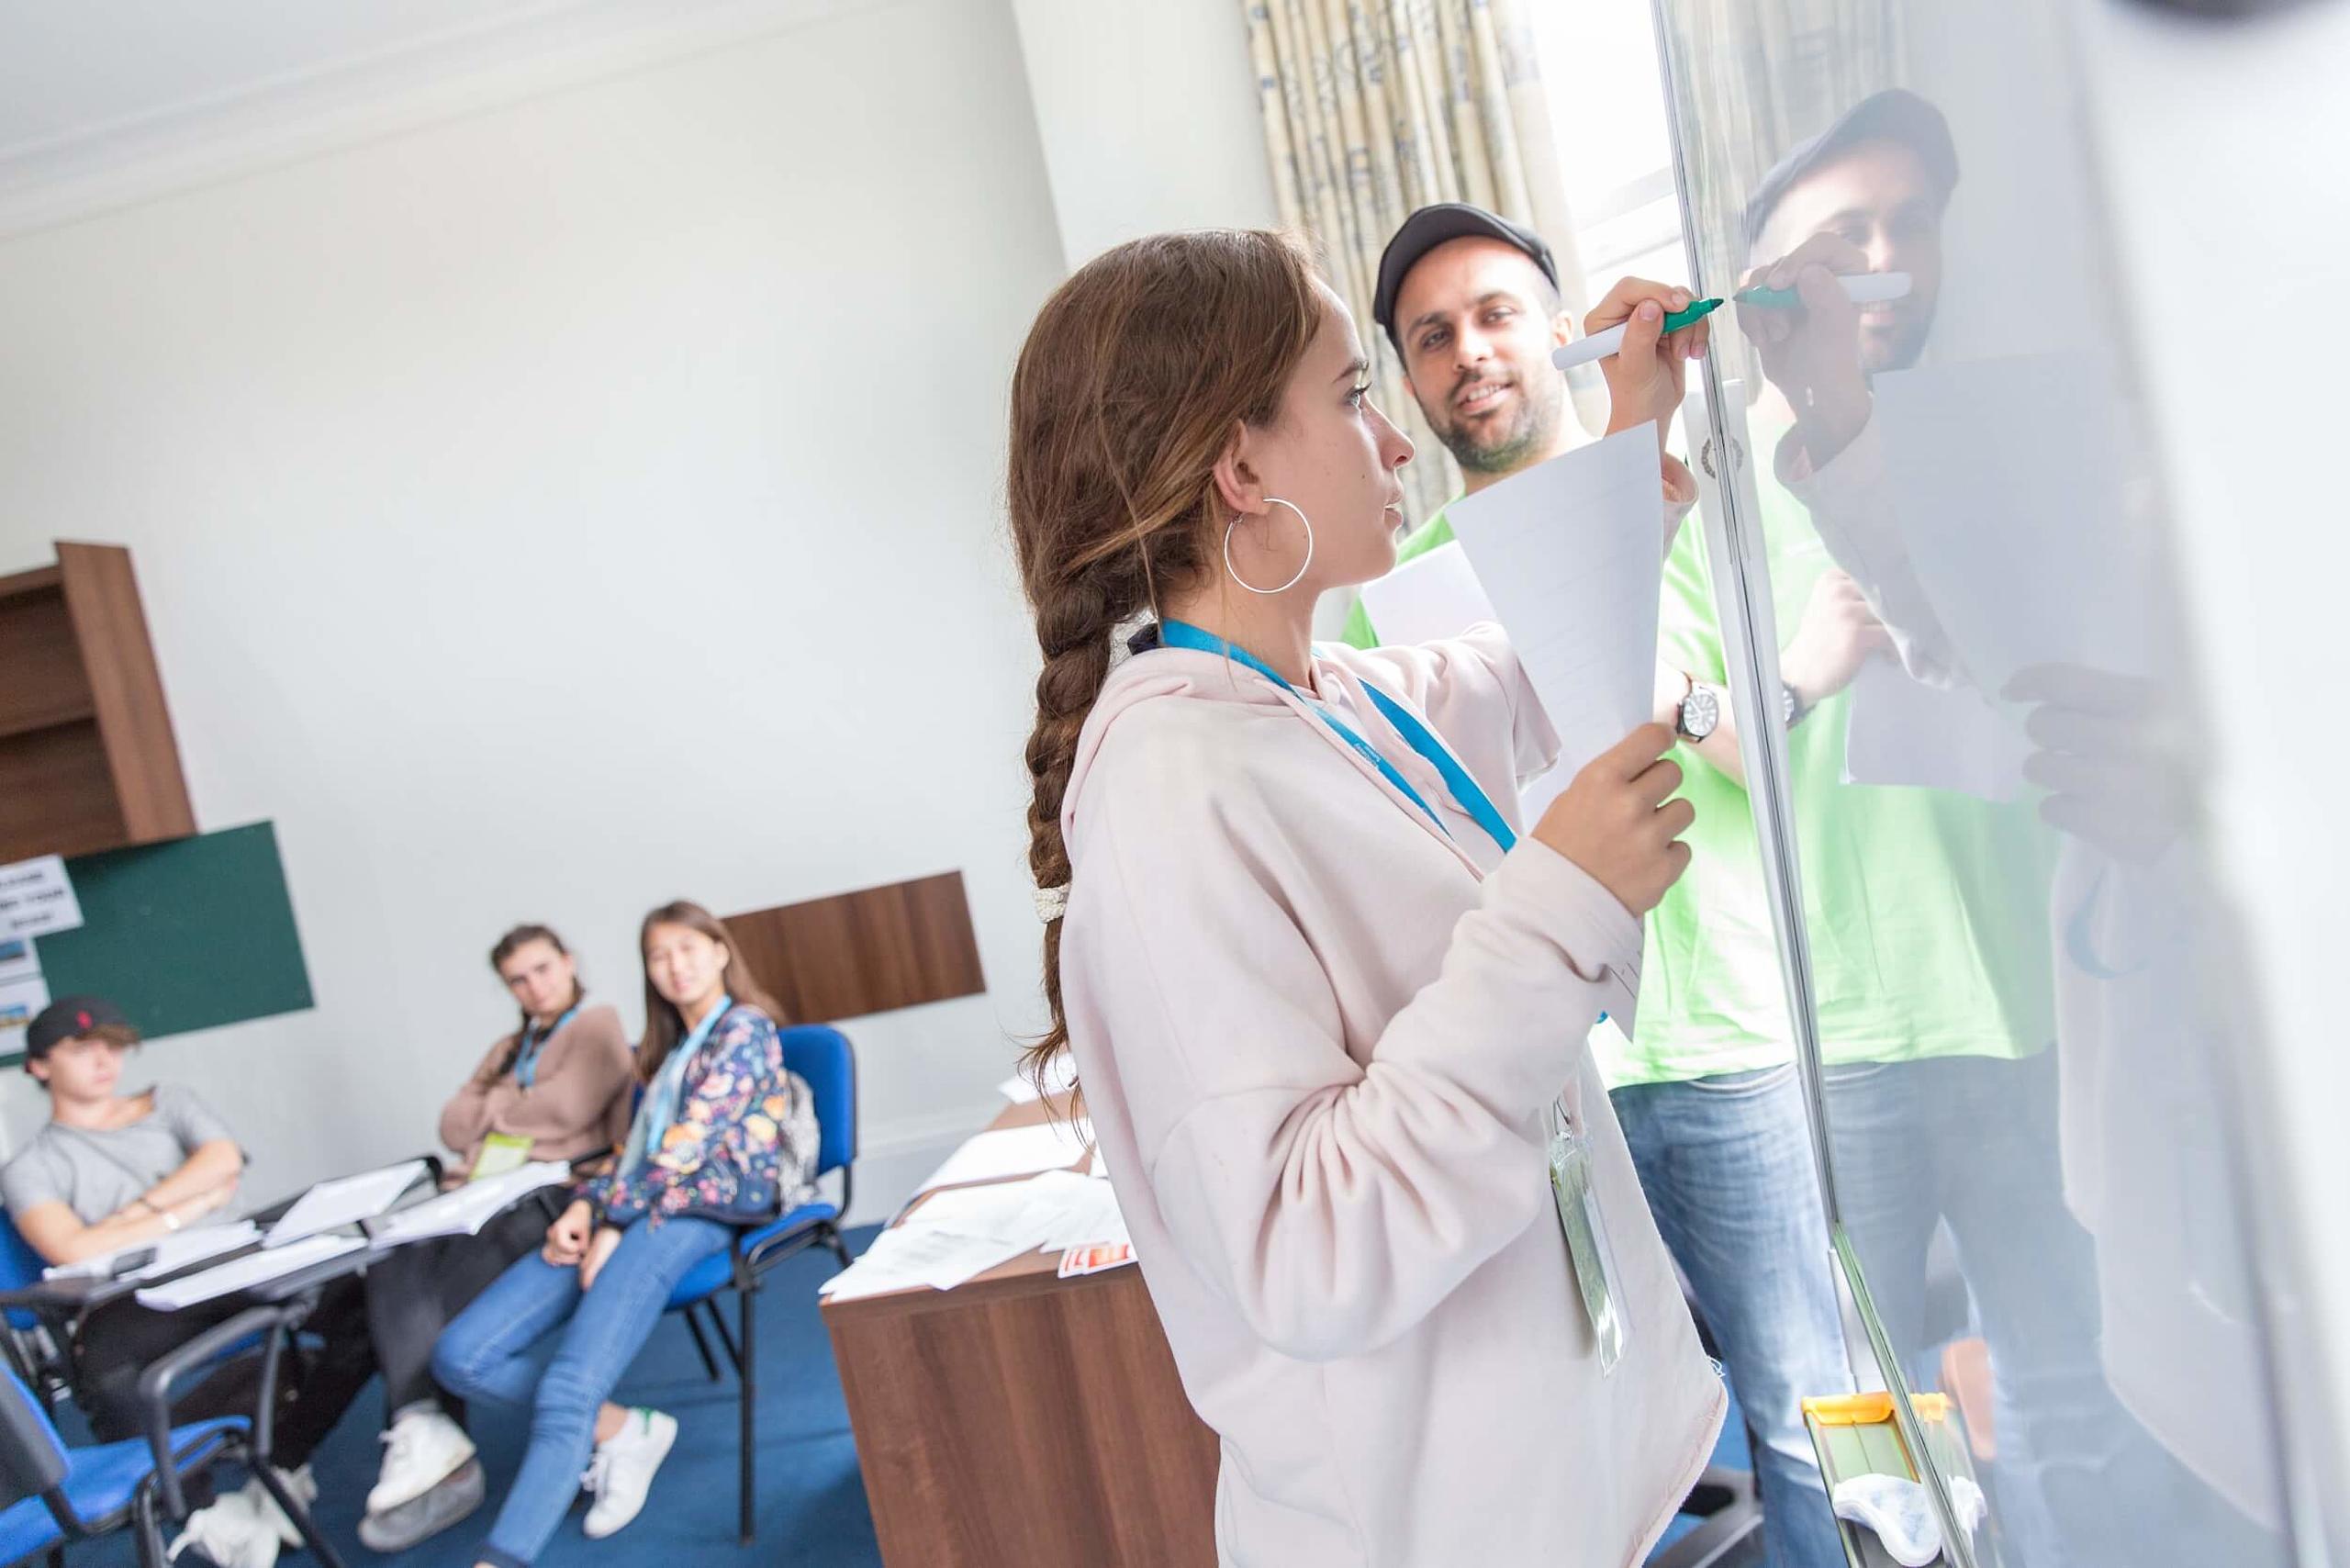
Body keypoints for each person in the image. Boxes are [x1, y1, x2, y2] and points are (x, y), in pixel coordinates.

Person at [1007, 228, 1722, 1567]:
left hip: (1540, 1487)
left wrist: (1640, 430)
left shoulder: (1327, 703)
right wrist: (1562, 905)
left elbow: (1546, 658)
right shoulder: (1176, 788)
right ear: (1239, 464)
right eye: (1349, 396)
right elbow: (1308, 1249)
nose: (1397, 446)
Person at [1744, 90, 2283, 1565]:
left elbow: (2013, 652)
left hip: (2029, 994)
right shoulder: (1752, 475)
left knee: (2083, 1384)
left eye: (1910, 224)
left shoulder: (2021, 429)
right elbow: (1698, 736)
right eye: (1841, 235)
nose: (1884, 261)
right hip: (1846, 1017)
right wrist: (1798, 667)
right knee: (1881, 1398)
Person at [1343, 201, 1854, 1567]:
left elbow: (1768, 733)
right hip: (1545, 1080)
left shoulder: (1674, 508)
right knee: (1576, 1440)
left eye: (1498, 316)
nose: (1470, 356)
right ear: (1405, 377)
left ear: (1559, 336)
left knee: (1806, 1408)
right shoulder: (1382, 599)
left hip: (1719, 1041)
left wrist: (1660, 690)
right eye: (1430, 336)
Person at [432, 901, 820, 1568]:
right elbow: (634, 1153)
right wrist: (584, 1210)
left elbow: (684, 1152)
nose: (675, 967)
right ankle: (623, 1430)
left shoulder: (745, 1032)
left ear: (721, 950)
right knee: (461, 1354)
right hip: (635, 1201)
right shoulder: (667, 1054)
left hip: (704, 1209)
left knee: (566, 1389)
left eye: (688, 949)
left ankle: (502, 1558)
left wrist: (611, 1221)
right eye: (659, 955)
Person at [0, 995, 377, 1566]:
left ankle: (282, 1460)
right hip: (139, 1298)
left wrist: (125, 1219)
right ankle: (198, 1512)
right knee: (106, 1373)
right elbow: (69, 1247)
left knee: (365, 1298)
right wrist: (183, 1205)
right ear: (38, 1065)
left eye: (111, 1045)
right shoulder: (31, 1166)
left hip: (236, 1263)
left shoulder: (167, 1101)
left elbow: (223, 1160)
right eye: (80, 1048)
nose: (102, 1060)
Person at [356, 924, 635, 1552]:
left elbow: (565, 1111)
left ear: (568, 962)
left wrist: (497, 1105)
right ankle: (420, 1424)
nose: (534, 986)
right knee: (392, 1255)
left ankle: (436, 1447)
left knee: (444, 1288)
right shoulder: (512, 1046)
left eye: (543, 969)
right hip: (479, 1191)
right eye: (518, 978)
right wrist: (519, 1101)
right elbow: (452, 1125)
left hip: (555, 1192)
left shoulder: (597, 1023)